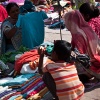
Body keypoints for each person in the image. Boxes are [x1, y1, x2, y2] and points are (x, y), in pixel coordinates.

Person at [64, 10, 100, 89]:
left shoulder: (78, 34)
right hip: (97, 58)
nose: (65, 23)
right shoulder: (87, 28)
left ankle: (88, 75)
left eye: (66, 20)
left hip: (91, 64)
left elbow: (79, 54)